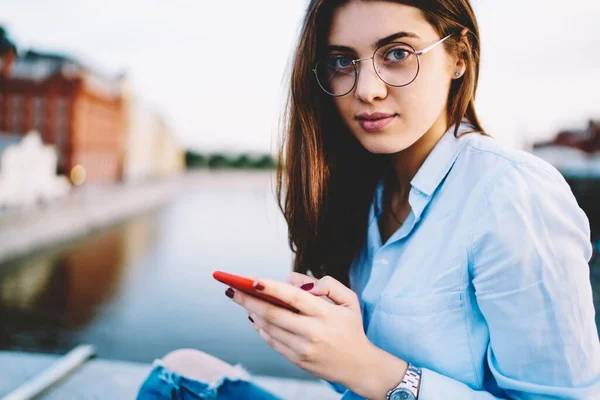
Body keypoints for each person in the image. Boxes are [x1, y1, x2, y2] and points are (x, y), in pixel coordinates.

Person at [137, 0, 600, 399]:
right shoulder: (365, 188)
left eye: (397, 54)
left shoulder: (513, 195)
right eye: (343, 61)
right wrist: (322, 338)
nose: (366, 89)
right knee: (178, 373)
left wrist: (365, 367)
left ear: (459, 56)